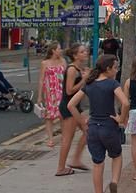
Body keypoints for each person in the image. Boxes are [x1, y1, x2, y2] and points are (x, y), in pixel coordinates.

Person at [68, 54, 129, 193]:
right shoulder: (112, 84)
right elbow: (125, 102)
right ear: (108, 69)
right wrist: (121, 119)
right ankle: (114, 181)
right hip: (109, 127)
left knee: (97, 163)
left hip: (93, 128)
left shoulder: (89, 84)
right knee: (117, 156)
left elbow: (71, 105)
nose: (117, 70)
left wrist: (83, 123)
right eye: (115, 67)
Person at [56, 43, 90, 176]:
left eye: (85, 51)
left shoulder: (78, 68)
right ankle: (60, 168)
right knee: (67, 138)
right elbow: (69, 90)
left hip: (76, 106)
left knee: (89, 130)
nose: (85, 53)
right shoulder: (71, 69)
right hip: (68, 106)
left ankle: (76, 159)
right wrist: (84, 80)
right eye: (82, 52)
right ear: (75, 55)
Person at [37, 42, 66, 147]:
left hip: (61, 90)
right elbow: (41, 80)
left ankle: (64, 137)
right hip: (50, 92)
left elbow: (66, 77)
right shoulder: (45, 63)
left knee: (62, 115)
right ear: (53, 50)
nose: (60, 50)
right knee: (49, 116)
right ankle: (50, 139)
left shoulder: (63, 61)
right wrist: (40, 96)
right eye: (59, 48)